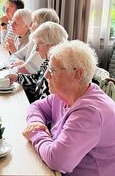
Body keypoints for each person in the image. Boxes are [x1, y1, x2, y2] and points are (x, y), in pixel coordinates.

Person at [23, 40, 115, 175]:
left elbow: (57, 160)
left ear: (76, 74)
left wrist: (36, 133)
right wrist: (36, 122)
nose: (46, 75)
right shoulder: (66, 94)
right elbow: (36, 107)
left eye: (53, 70)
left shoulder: (90, 113)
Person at [5, 22, 68, 102]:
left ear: (51, 46)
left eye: (38, 45)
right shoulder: (47, 61)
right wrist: (17, 77)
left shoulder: (58, 70)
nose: (36, 49)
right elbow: (36, 78)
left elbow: (46, 103)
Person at [7, 8, 60, 74]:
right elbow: (13, 56)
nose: (30, 25)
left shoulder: (44, 47)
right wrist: (21, 64)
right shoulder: (33, 41)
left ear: (43, 26)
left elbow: (24, 71)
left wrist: (18, 65)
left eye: (34, 22)